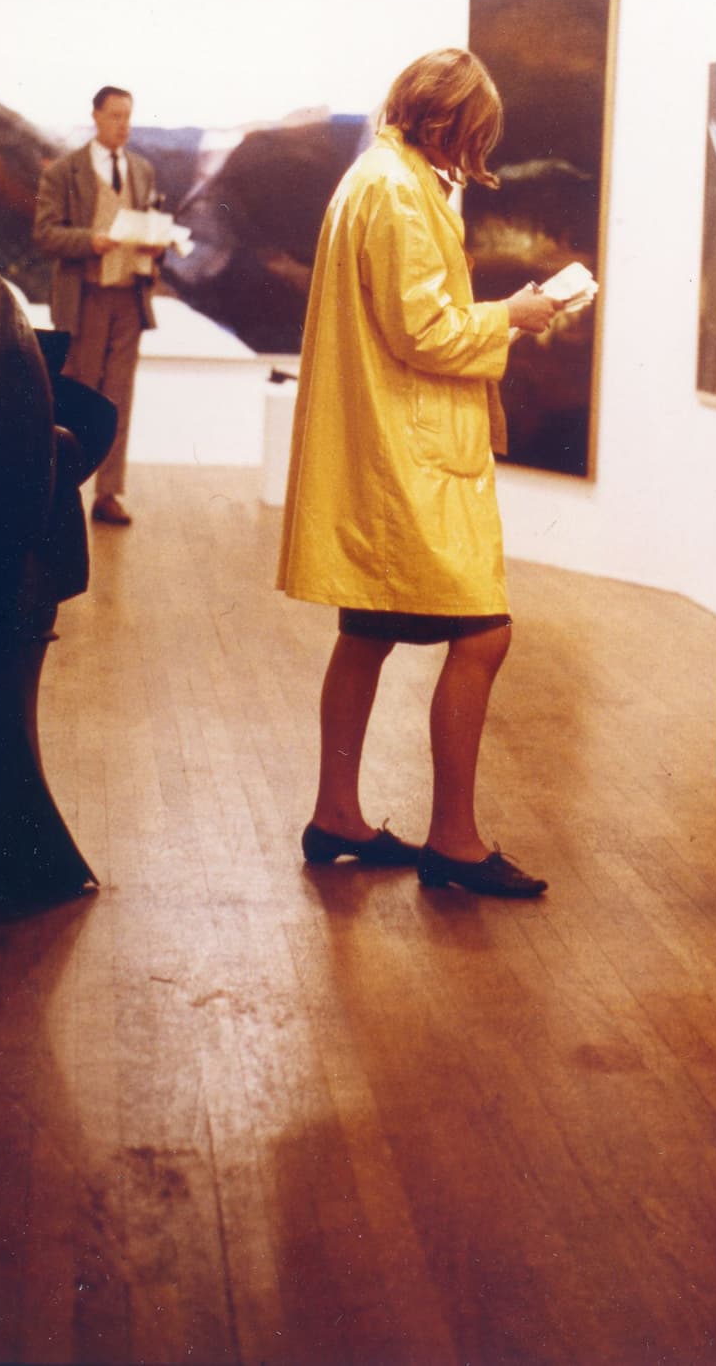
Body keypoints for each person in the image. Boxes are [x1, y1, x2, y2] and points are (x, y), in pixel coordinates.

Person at [276, 47, 561, 898]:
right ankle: (455, 841)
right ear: (444, 121)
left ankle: (337, 814)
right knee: (483, 631)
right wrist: (513, 315)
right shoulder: (399, 191)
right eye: (474, 136)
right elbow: (425, 332)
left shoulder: (377, 177)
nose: (475, 155)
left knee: (366, 629)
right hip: (408, 452)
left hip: (386, 445)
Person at [32, 85, 164, 526]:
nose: (123, 125)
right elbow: (46, 233)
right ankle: (60, 488)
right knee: (79, 394)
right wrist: (90, 241)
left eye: (128, 116)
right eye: (115, 116)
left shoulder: (142, 170)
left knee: (118, 399)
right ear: (95, 116)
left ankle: (108, 493)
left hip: (130, 299)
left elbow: (148, 223)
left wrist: (157, 244)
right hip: (85, 298)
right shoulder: (64, 173)